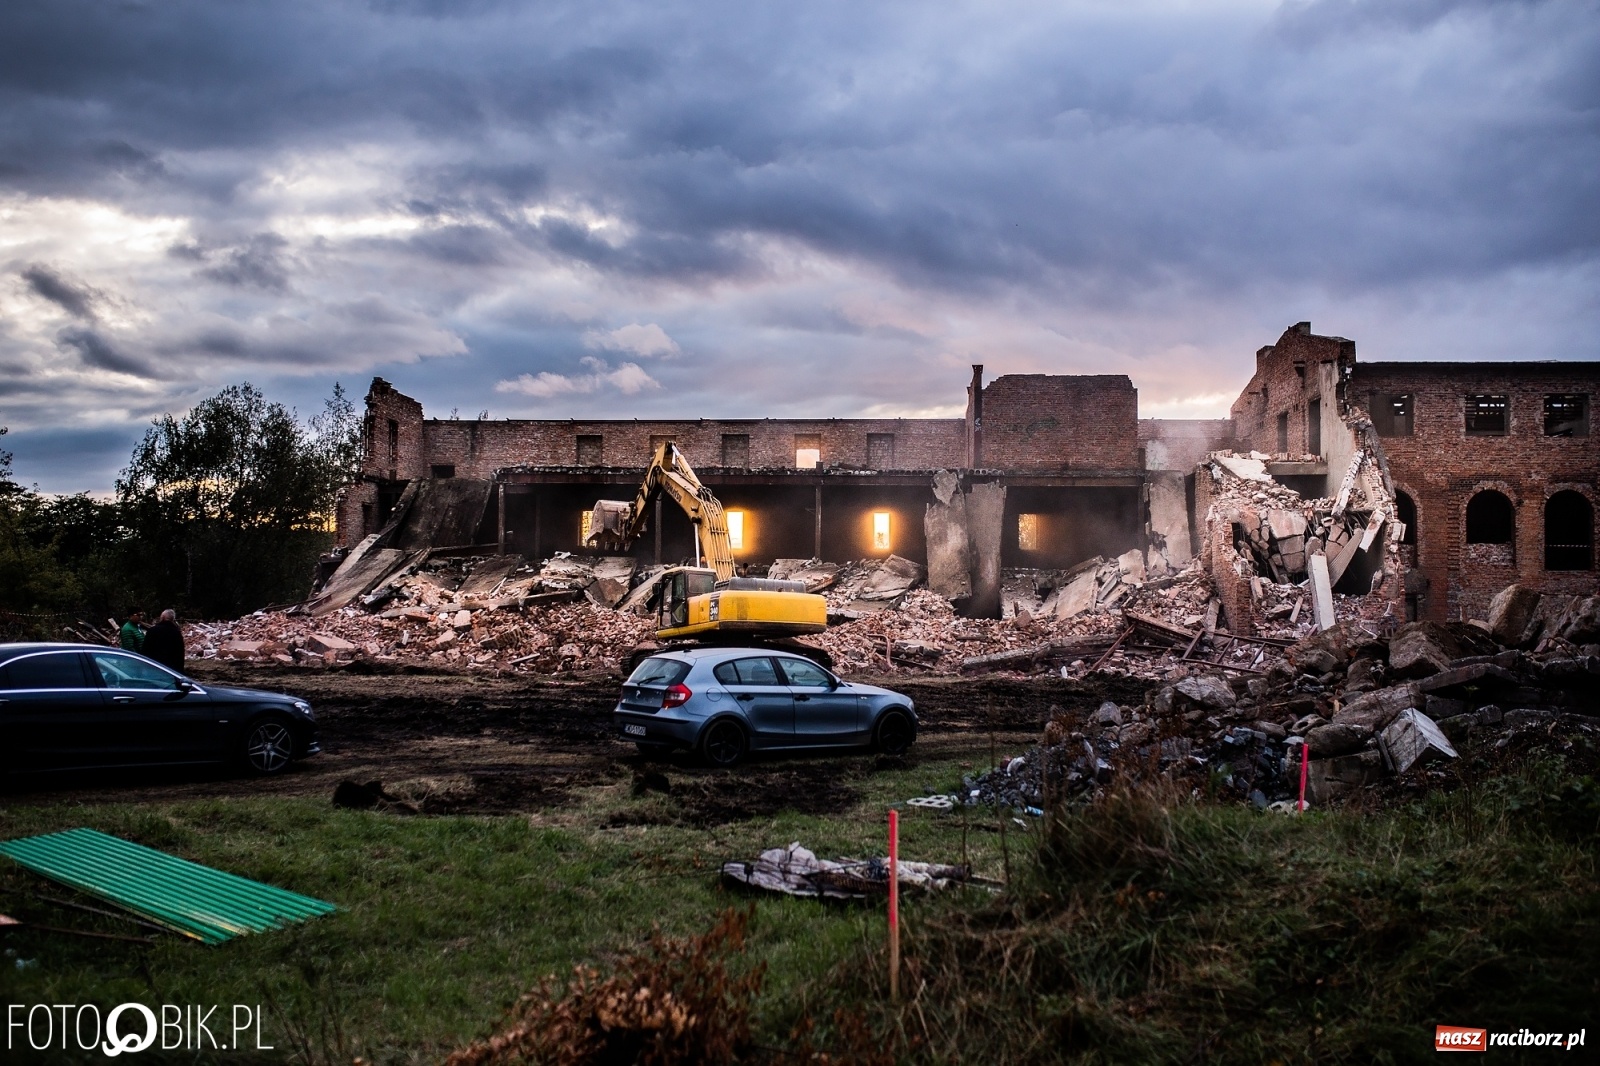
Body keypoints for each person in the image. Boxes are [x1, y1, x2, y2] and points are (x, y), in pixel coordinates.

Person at [142, 609, 186, 675]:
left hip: (155, 666)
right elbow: (180, 652)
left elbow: (146, 649)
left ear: (162, 617)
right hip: (171, 668)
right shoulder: (176, 632)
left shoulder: (153, 631)